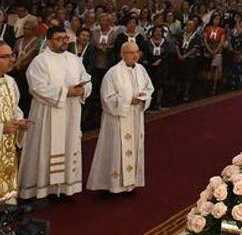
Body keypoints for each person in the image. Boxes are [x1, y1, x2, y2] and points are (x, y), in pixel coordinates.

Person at [18, 26, 92, 199]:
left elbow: (87, 79)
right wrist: (66, 92)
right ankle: (42, 189)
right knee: (46, 146)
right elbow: (37, 87)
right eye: (59, 38)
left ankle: (66, 188)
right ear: (49, 40)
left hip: (71, 113)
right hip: (48, 113)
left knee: (69, 144)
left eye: (66, 38)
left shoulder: (75, 60)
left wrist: (83, 89)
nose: (64, 41)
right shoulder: (40, 61)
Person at [87, 42, 153, 194]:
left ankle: (130, 184)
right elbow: (106, 98)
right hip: (117, 119)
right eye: (131, 53)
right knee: (116, 149)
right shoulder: (113, 73)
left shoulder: (141, 70)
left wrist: (144, 98)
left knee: (134, 147)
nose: (135, 55)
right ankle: (111, 185)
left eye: (137, 52)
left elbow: (149, 88)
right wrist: (128, 101)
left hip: (135, 116)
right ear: (122, 54)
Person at [0, 42, 30, 203]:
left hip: (7, 150)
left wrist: (20, 123)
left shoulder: (10, 82)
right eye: (5, 57)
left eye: (12, 55)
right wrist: (1, 128)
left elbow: (15, 108)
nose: (12, 60)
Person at [142, 25, 172, 111]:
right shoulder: (147, 42)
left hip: (161, 67)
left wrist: (160, 60)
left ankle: (158, 104)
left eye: (160, 31)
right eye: (156, 31)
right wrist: (145, 60)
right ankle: (147, 105)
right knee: (148, 86)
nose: (158, 33)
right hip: (149, 67)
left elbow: (166, 55)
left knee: (160, 85)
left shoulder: (165, 43)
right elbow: (144, 53)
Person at [177, 18, 203, 102]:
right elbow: (177, 45)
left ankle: (186, 93)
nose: (188, 26)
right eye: (187, 25)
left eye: (190, 25)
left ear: (194, 27)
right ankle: (178, 93)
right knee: (179, 76)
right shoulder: (181, 34)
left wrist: (185, 56)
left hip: (190, 58)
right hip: (180, 57)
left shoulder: (197, 36)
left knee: (189, 77)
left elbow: (195, 48)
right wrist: (179, 55)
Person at [203, 14, 225, 95]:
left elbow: (221, 41)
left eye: (218, 19)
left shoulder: (221, 30)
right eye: (215, 19)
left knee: (216, 69)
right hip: (208, 49)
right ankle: (207, 86)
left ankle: (214, 87)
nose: (216, 21)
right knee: (209, 69)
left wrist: (216, 50)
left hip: (217, 50)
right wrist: (209, 50)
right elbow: (205, 40)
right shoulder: (207, 28)